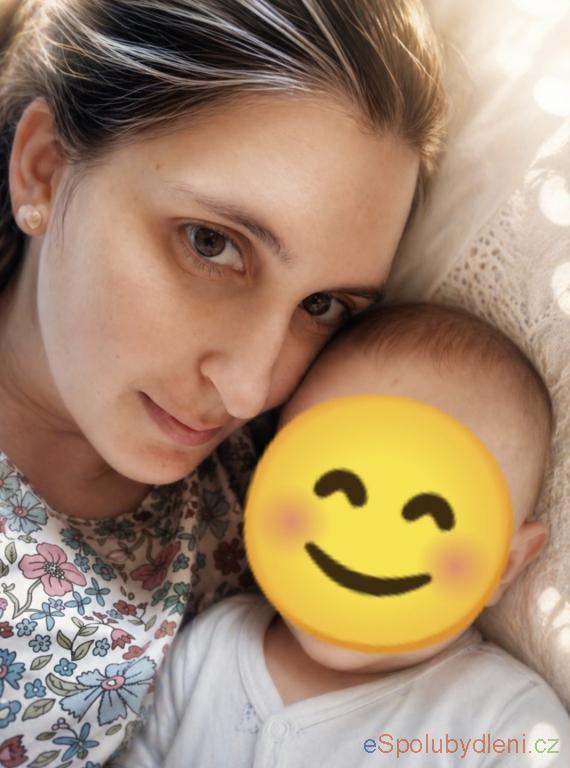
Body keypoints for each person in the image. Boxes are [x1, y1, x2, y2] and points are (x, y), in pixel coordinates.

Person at [0, 0, 446, 763]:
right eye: (211, 244)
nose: (248, 390)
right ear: (43, 168)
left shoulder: (278, 509)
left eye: (322, 306)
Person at [122, 302, 570, 767]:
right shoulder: (212, 648)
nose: (369, 542)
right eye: (333, 489)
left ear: (505, 564)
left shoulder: (504, 725)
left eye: (430, 516)